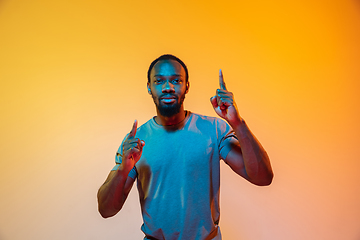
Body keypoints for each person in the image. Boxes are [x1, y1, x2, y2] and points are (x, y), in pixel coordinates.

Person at [97, 54, 273, 240]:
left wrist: (237, 122)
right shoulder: (136, 141)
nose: (168, 87)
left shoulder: (213, 130)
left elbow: (263, 177)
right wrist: (124, 170)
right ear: (149, 87)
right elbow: (106, 210)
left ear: (186, 85)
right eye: (159, 81)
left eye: (176, 80)